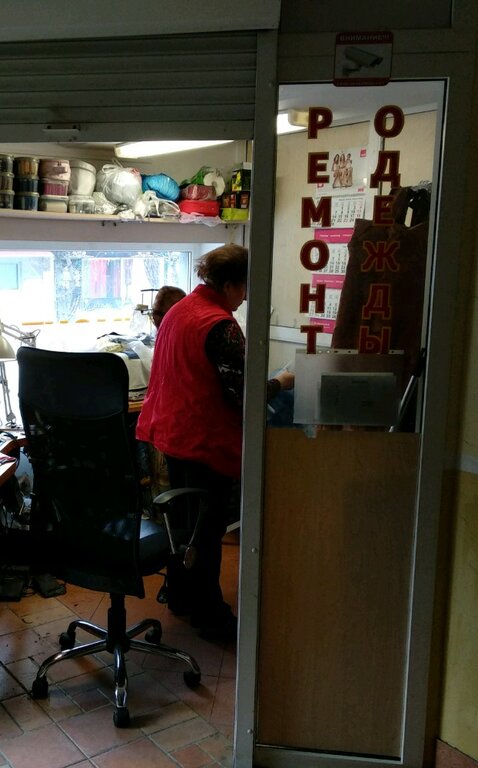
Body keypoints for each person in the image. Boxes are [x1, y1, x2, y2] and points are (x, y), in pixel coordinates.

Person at [136, 244, 294, 641]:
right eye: (244, 288)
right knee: (206, 532)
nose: (245, 298)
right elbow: (246, 396)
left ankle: (181, 597)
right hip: (205, 441)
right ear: (229, 285)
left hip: (172, 435)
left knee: (183, 525)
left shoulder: (178, 311)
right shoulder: (220, 325)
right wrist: (282, 382)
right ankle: (210, 616)